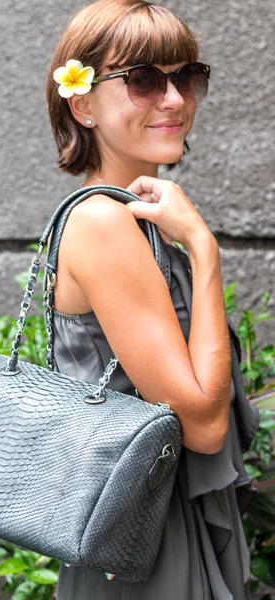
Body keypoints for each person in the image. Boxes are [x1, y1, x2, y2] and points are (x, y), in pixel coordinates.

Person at [43, 1, 260, 598]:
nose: (173, 99)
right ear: (82, 103)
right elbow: (204, 427)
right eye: (142, 80)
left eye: (185, 76)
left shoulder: (137, 221)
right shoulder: (105, 224)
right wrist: (205, 250)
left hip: (149, 530)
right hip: (147, 549)